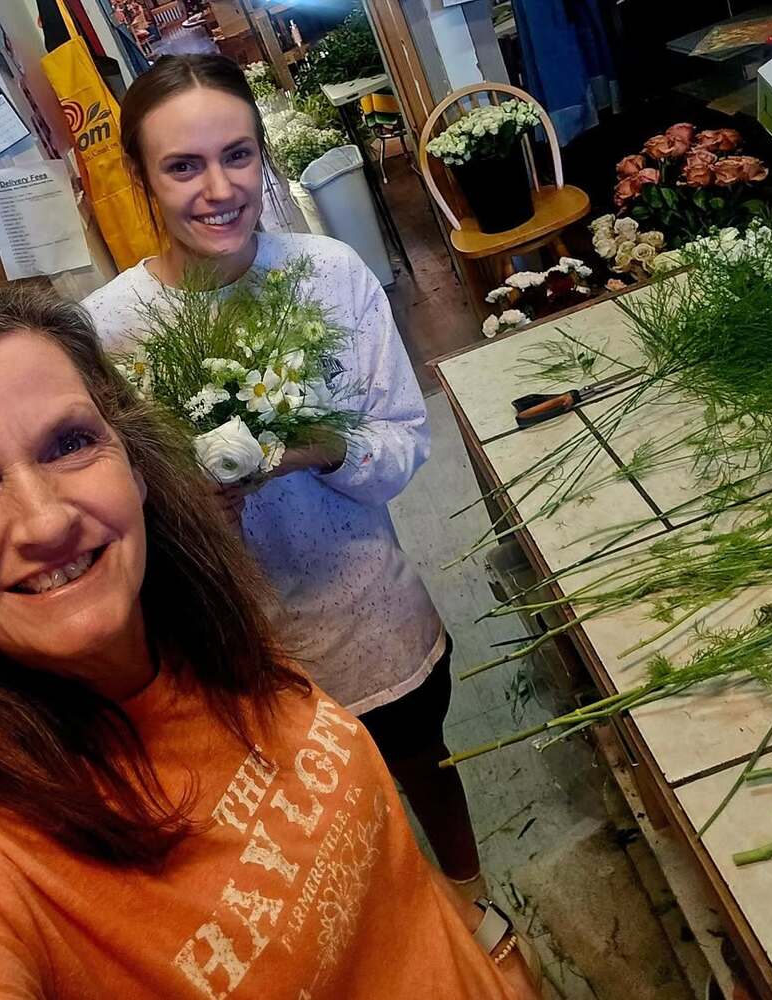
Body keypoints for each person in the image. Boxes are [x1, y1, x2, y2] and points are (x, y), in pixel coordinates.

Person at [0, 283, 539, 998]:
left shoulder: (199, 632)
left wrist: (485, 941)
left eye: (70, 444)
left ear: (134, 464)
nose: (47, 521)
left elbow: (369, 857)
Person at [81, 53, 488, 903]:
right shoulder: (108, 332)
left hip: (370, 618)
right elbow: (112, 524)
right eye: (183, 166)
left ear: (262, 152)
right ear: (140, 178)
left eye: (237, 155)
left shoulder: (330, 276)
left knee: (424, 765)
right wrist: (189, 507)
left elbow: (403, 444)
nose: (219, 189)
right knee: (318, 845)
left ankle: (474, 901)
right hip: (234, 659)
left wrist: (309, 447)